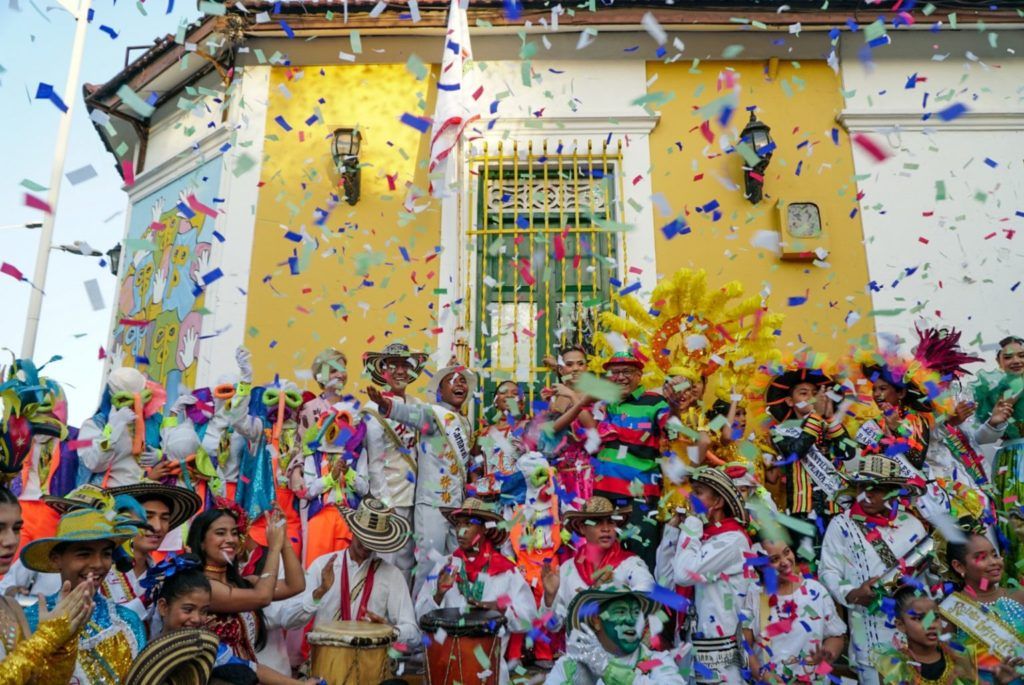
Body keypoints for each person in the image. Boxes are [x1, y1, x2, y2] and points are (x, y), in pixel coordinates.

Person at [366, 363, 476, 597]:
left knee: (455, 565)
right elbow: (410, 414)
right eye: (452, 380)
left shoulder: (464, 422)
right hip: (432, 506)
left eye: (463, 380)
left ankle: (445, 620)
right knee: (428, 567)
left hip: (457, 508)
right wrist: (386, 405)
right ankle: (415, 620)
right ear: (441, 390)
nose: (460, 384)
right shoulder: (433, 414)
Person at [819, 455, 930, 685]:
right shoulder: (841, 524)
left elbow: (928, 580)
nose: (866, 495)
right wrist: (852, 593)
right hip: (869, 640)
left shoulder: (913, 525)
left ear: (893, 492)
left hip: (915, 639)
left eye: (877, 489)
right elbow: (828, 571)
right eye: (861, 487)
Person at [142, 554, 319, 685]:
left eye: (204, 611)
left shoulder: (207, 647)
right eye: (188, 609)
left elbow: (252, 668)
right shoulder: (143, 648)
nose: (196, 619)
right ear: (164, 607)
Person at [415, 497, 536, 684]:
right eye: (458, 524)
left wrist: (500, 609)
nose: (460, 531)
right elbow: (419, 617)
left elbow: (529, 620)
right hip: (444, 669)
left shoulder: (506, 571)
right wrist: (438, 594)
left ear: (485, 528)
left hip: (491, 674)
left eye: (469, 524)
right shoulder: (443, 566)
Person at [21, 506, 147, 684]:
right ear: (57, 559)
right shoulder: (30, 621)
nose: (97, 563)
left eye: (106, 554)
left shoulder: (128, 622)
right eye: (84, 554)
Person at [658, 464, 756, 683]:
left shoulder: (733, 540)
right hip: (687, 647)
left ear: (718, 502)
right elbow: (665, 581)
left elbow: (684, 574)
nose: (690, 499)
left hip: (717, 656)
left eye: (698, 493)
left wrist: (691, 525)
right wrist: (672, 533)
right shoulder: (700, 538)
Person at [283, 497, 420, 646]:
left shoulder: (391, 575)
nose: (367, 545)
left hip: (370, 663)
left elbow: (413, 633)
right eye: (363, 537)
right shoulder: (322, 566)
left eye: (373, 540)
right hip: (327, 661)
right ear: (352, 530)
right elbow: (288, 621)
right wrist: (319, 592)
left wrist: (389, 631)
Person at [186, 503, 304, 671]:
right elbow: (263, 597)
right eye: (220, 533)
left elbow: (295, 585)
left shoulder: (243, 583)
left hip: (247, 675)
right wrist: (274, 548)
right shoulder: (201, 587)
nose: (230, 539)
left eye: (234, 533)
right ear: (202, 542)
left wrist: (283, 540)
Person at [755, 355, 855, 553]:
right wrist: (817, 416)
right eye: (803, 393)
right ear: (790, 402)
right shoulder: (779, 432)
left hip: (836, 507)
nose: (811, 397)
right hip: (802, 510)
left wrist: (829, 417)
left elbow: (848, 451)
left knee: (843, 559)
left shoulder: (829, 424)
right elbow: (795, 451)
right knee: (811, 562)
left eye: (815, 393)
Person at [0, 483, 93, 684]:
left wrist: (63, 644)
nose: (10, 540)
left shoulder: (11, 609)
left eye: (16, 529)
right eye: (0, 529)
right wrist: (47, 638)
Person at [591, 349, 671, 571]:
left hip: (639, 493)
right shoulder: (604, 403)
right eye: (614, 372)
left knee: (640, 553)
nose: (620, 377)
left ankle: (643, 602)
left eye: (627, 371)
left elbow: (673, 431)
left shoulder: (655, 402)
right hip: (603, 493)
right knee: (603, 556)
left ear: (639, 375)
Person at [359, 342, 429, 585]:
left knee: (409, 565)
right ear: (383, 370)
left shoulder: (419, 405)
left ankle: (404, 618)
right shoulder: (371, 409)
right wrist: (384, 502)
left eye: (405, 365)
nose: (400, 371)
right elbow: (375, 462)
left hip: (417, 499)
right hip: (390, 501)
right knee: (386, 565)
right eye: (394, 365)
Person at [541, 496, 655, 632]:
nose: (606, 529)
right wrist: (550, 597)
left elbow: (648, 598)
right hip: (578, 651)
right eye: (597, 522)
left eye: (610, 522)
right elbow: (553, 626)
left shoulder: (631, 564)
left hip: (618, 652)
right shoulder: (568, 569)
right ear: (582, 528)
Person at [1, 358, 80, 551]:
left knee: (43, 563)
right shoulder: (16, 435)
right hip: (18, 505)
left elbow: (94, 455)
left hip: (52, 507)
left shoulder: (73, 437)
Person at [743, 537, 845, 683]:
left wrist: (824, 659)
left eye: (787, 552)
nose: (785, 562)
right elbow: (744, 645)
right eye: (775, 559)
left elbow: (836, 636)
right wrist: (763, 675)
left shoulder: (815, 590)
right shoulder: (755, 594)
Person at [545, 588, 688, 685]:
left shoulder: (657, 661)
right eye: (620, 612)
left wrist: (609, 671)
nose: (631, 620)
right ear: (596, 621)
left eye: (637, 613)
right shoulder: (570, 664)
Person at [102, 481, 202, 620]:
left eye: (165, 518)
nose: (157, 527)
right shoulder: (99, 570)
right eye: (148, 517)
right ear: (122, 519)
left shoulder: (163, 575)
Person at [942, 528, 1024, 683]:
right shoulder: (948, 612)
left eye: (995, 555)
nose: (994, 562)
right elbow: (954, 674)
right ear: (959, 566)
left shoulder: (1020, 596)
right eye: (981, 557)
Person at [973, 336, 1024, 574]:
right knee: (1015, 528)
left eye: (1021, 356)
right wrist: (996, 422)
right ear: (998, 361)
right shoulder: (992, 391)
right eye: (1009, 356)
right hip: (1011, 463)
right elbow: (980, 439)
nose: (1015, 361)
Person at [874, 585, 993, 685]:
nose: (931, 625)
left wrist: (971, 676)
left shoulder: (958, 654)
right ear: (901, 625)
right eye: (919, 618)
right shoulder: (894, 666)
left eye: (934, 617)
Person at [79, 366, 170, 488]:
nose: (136, 404)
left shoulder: (157, 422)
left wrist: (161, 456)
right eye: (127, 399)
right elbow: (94, 463)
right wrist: (112, 431)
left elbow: (181, 453)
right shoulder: (94, 425)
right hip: (108, 498)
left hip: (147, 496)